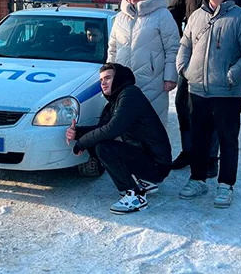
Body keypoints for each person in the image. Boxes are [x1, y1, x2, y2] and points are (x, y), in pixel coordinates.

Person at [176, 0, 241, 205]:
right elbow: (185, 45)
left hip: (227, 92)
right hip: (198, 89)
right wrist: (185, 69)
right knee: (199, 138)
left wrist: (232, 75)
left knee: (227, 139)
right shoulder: (196, 17)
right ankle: (197, 179)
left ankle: (225, 184)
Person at [168, 0, 241, 173]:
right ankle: (189, 151)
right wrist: (181, 40)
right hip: (193, 59)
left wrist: (234, 69)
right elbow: (174, 9)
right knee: (184, 105)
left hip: (219, 62)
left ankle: (211, 159)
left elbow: (240, 21)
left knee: (215, 113)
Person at [67, 63, 172, 214]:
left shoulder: (130, 95)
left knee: (104, 148)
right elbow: (102, 127)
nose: (103, 83)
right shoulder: (116, 99)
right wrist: (77, 133)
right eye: (101, 79)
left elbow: (112, 129)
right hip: (147, 157)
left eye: (108, 78)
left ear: (119, 79)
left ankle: (135, 197)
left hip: (157, 163)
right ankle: (144, 181)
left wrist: (82, 142)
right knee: (98, 144)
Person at [107, 0, 179, 124]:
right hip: (124, 80)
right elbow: (113, 48)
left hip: (152, 79)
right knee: (125, 122)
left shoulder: (162, 15)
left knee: (152, 123)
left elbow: (172, 48)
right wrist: (109, 75)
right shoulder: (120, 17)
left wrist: (170, 77)